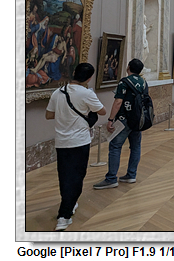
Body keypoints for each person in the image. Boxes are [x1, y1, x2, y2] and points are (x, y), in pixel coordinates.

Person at [46, 63, 106, 231]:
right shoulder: (87, 93)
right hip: (79, 142)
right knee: (77, 177)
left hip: (62, 142)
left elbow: (49, 115)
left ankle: (70, 203)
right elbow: (102, 111)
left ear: (74, 73)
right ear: (89, 78)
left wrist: (64, 114)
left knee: (65, 176)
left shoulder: (58, 92)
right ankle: (63, 216)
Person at [93, 58, 147, 190]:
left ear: (128, 67)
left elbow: (118, 102)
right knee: (135, 146)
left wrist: (110, 119)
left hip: (124, 119)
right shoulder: (144, 82)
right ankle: (131, 175)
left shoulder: (124, 82)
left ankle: (111, 178)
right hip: (138, 120)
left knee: (115, 147)